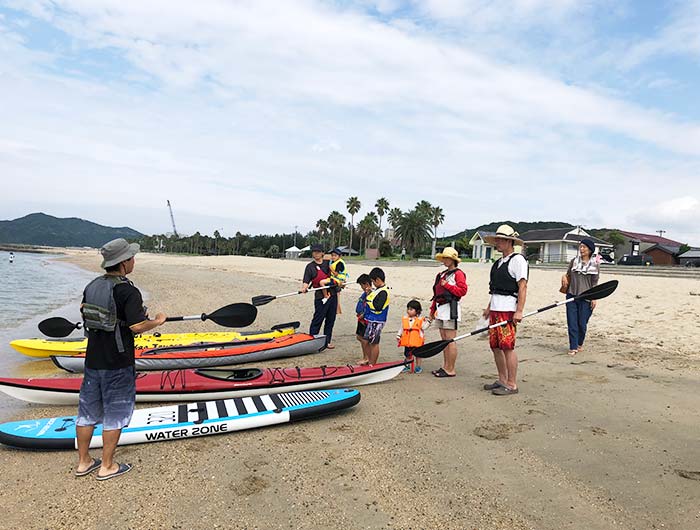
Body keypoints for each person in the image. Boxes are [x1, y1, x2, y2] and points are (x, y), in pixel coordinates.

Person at [75, 238, 166, 480]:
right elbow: (136, 326)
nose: (134, 260)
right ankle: (107, 466)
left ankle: (84, 462)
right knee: (115, 413)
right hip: (118, 362)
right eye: (132, 257)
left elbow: (85, 309)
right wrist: (157, 321)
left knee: (86, 412)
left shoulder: (92, 285)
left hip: (93, 361)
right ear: (124, 262)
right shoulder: (128, 290)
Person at [482, 225, 528, 396]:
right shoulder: (498, 262)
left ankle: (512, 383)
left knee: (507, 347)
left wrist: (519, 310)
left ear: (510, 242)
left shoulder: (518, 260)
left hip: (508, 310)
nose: (498, 243)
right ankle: (502, 379)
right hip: (495, 309)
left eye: (501, 240)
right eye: (497, 240)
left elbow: (522, 287)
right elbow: (495, 289)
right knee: (495, 347)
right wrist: (488, 308)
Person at [429, 247, 468, 378]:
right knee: (443, 340)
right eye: (444, 258)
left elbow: (462, 291)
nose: (444, 260)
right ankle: (445, 366)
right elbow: (436, 294)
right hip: (441, 308)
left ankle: (450, 368)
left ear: (453, 260)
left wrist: (447, 285)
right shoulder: (442, 274)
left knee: (450, 340)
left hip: (451, 309)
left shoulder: (458, 274)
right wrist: (432, 310)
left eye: (447, 258)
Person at [561, 238, 599, 355]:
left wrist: (594, 298)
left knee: (582, 324)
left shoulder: (595, 265)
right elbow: (568, 274)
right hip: (571, 296)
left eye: (584, 247)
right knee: (572, 322)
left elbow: (594, 283)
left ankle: (579, 343)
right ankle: (573, 347)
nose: (581, 249)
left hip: (586, 297)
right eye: (580, 247)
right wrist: (563, 277)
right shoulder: (573, 262)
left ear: (590, 250)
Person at [302, 244, 338, 349]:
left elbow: (338, 265)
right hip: (320, 297)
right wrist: (304, 288)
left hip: (332, 294)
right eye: (314, 251)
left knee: (331, 319)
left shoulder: (329, 263)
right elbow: (306, 280)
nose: (316, 253)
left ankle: (327, 341)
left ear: (323, 253)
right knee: (318, 318)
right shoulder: (310, 267)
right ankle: (312, 340)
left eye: (318, 251)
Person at [363, 267, 389, 365]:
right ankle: (369, 360)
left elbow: (378, 307)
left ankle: (372, 363)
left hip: (378, 320)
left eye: (373, 282)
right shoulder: (377, 290)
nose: (373, 284)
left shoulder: (383, 292)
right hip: (371, 319)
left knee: (374, 343)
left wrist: (370, 296)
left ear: (378, 280)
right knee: (366, 341)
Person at [396, 299, 431, 374]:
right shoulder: (406, 319)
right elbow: (402, 328)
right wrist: (399, 335)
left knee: (418, 355)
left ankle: (418, 367)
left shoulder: (420, 320)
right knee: (407, 354)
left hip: (417, 341)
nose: (408, 311)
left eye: (411, 309)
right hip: (408, 341)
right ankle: (407, 365)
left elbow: (424, 327)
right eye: (408, 309)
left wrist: (428, 321)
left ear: (417, 311)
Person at [355, 274, 373, 364]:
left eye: (361, 285)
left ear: (365, 284)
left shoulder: (370, 293)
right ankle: (366, 356)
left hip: (366, 319)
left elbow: (370, 306)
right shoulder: (365, 293)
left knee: (365, 340)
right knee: (360, 337)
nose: (361, 287)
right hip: (361, 319)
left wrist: (364, 314)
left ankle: (367, 357)